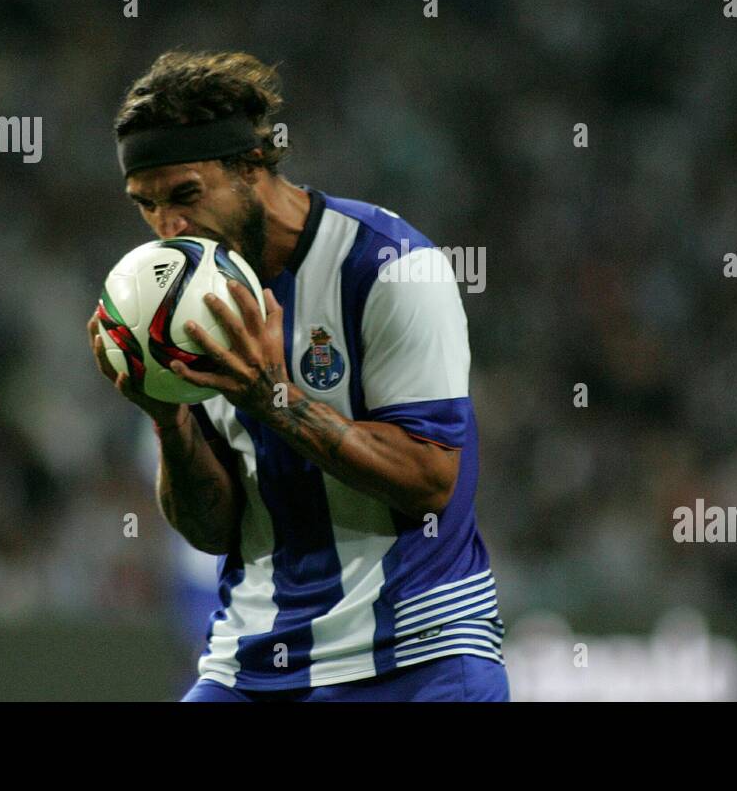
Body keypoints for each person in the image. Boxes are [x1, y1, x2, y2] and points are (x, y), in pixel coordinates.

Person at [87, 51, 508, 701]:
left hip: (414, 659)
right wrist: (167, 416)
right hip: (250, 665)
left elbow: (431, 481)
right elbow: (212, 530)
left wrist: (274, 399)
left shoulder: (392, 268)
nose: (167, 229)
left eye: (186, 196)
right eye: (146, 205)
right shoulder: (183, 304)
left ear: (252, 167)